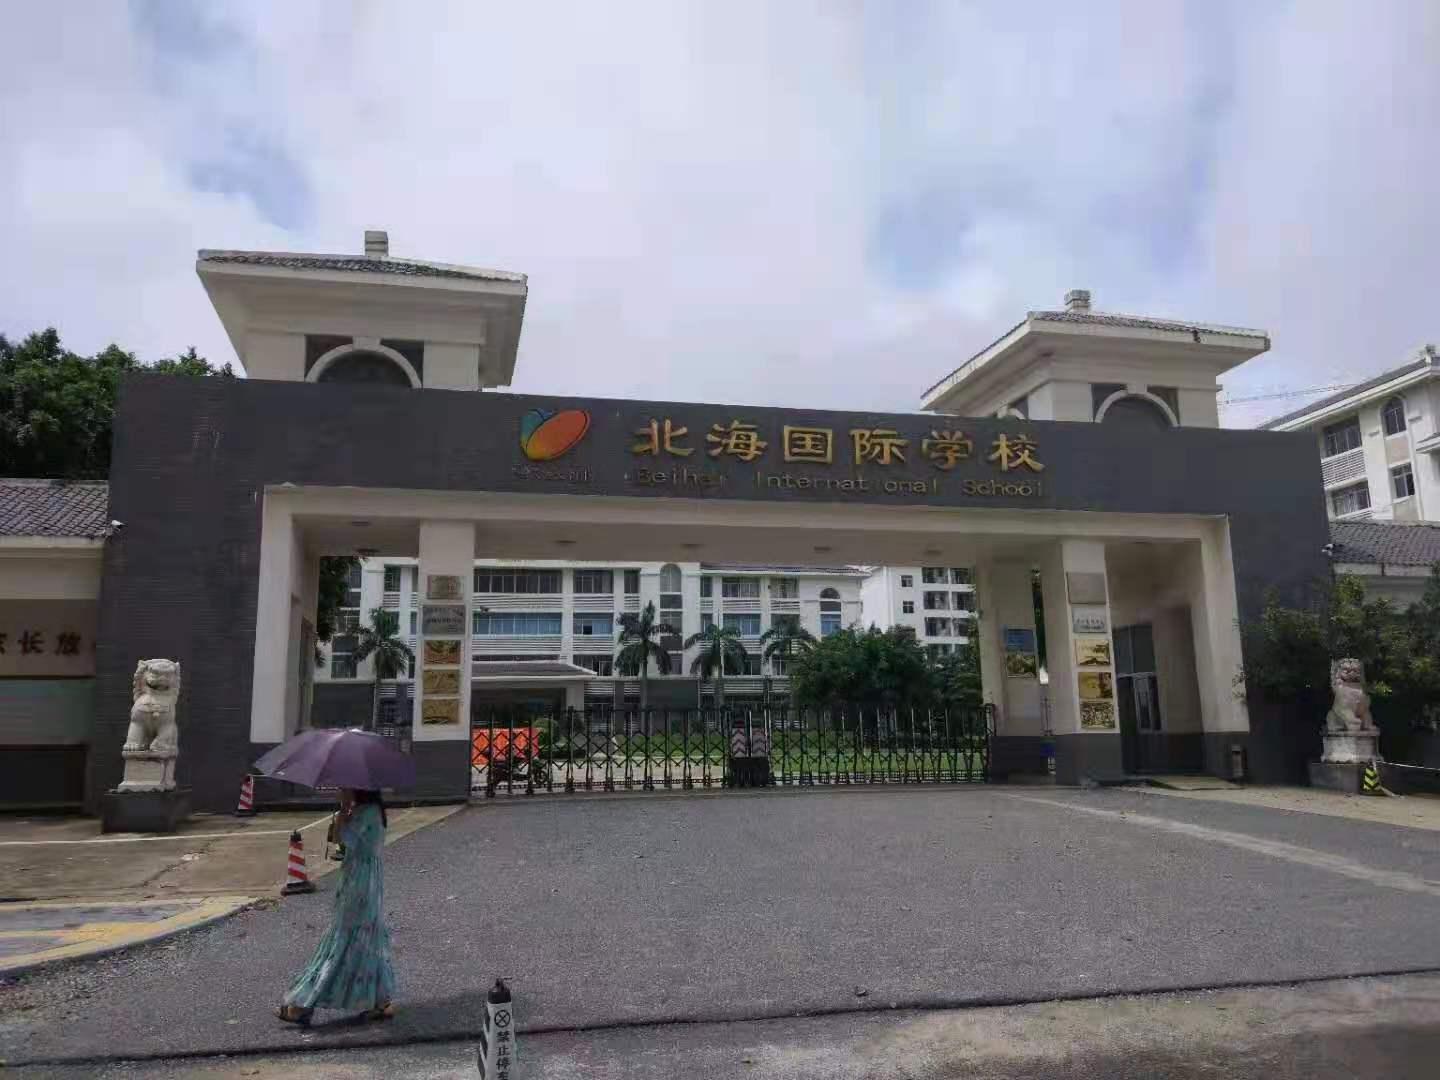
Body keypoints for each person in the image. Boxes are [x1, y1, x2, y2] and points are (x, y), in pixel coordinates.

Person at [276, 788, 395, 1025]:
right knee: (365, 939)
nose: (342, 790)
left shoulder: (366, 812)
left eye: (345, 786)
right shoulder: (372, 810)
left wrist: (343, 811)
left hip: (359, 881)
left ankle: (303, 1004)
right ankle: (381, 1001)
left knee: (343, 939)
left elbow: (342, 839)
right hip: (365, 879)